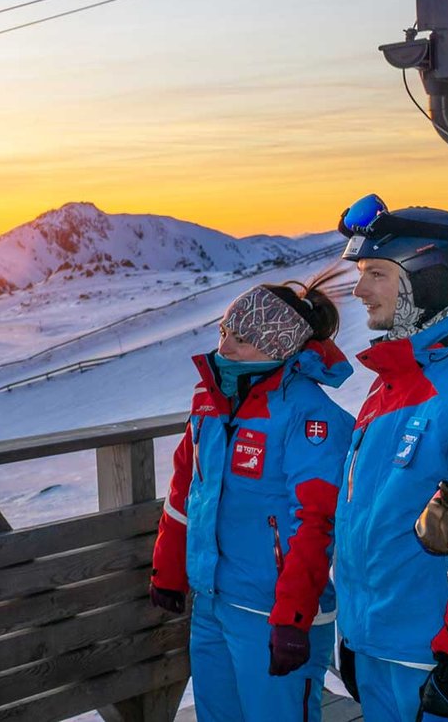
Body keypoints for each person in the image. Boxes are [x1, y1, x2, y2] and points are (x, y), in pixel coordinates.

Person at [149, 275, 353, 721]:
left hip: (273, 612)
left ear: (277, 345)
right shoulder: (210, 400)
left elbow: (316, 521)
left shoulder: (309, 414)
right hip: (213, 601)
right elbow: (186, 488)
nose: (225, 347)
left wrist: (293, 615)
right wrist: (169, 568)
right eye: (224, 331)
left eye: (241, 339)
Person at [333, 196, 448, 721]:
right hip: (377, 648)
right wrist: (354, 636)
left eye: (376, 273)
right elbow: (366, 517)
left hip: (436, 656)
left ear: (428, 277)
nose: (359, 290)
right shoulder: (390, 382)